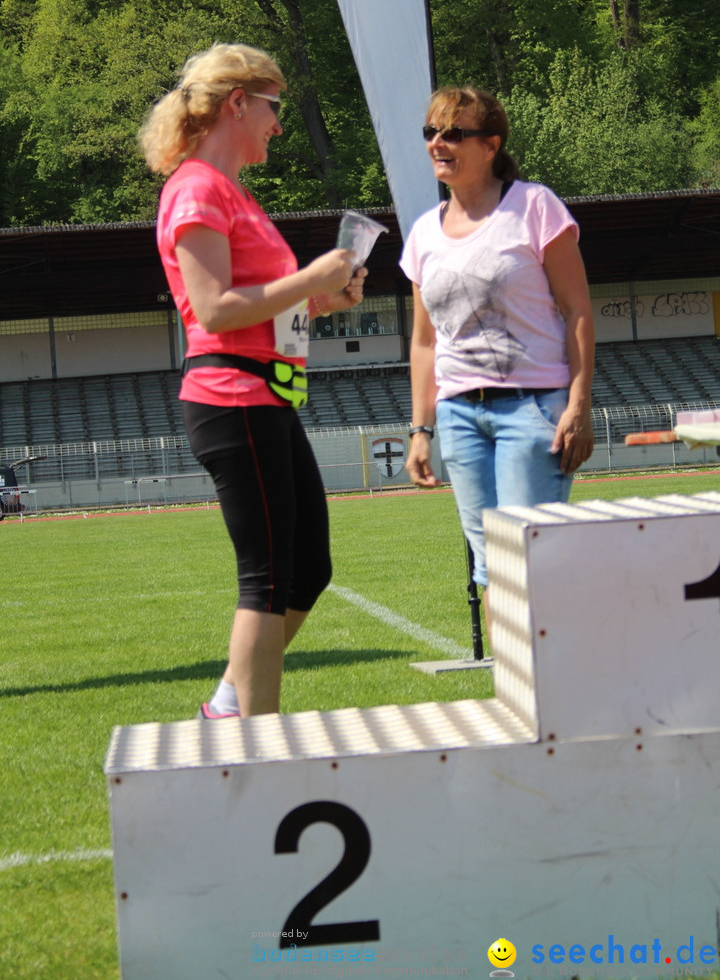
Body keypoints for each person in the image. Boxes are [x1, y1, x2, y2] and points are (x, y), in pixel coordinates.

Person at [139, 42, 366, 718]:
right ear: (237, 103)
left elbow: (254, 304)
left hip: (260, 396)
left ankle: (226, 706)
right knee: (267, 581)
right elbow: (210, 308)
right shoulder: (196, 188)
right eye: (273, 107)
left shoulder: (227, 191)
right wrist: (311, 279)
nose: (277, 122)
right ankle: (253, 736)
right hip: (232, 399)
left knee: (308, 569)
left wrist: (323, 300)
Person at [401, 86, 595, 634]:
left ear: (490, 145)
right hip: (460, 417)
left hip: (533, 411)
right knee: (491, 569)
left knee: (530, 563)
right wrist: (422, 429)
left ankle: (560, 696)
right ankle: (517, 699)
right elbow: (423, 342)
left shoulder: (534, 206)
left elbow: (577, 310)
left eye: (453, 133)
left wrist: (578, 403)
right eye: (431, 133)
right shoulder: (422, 234)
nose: (438, 143)